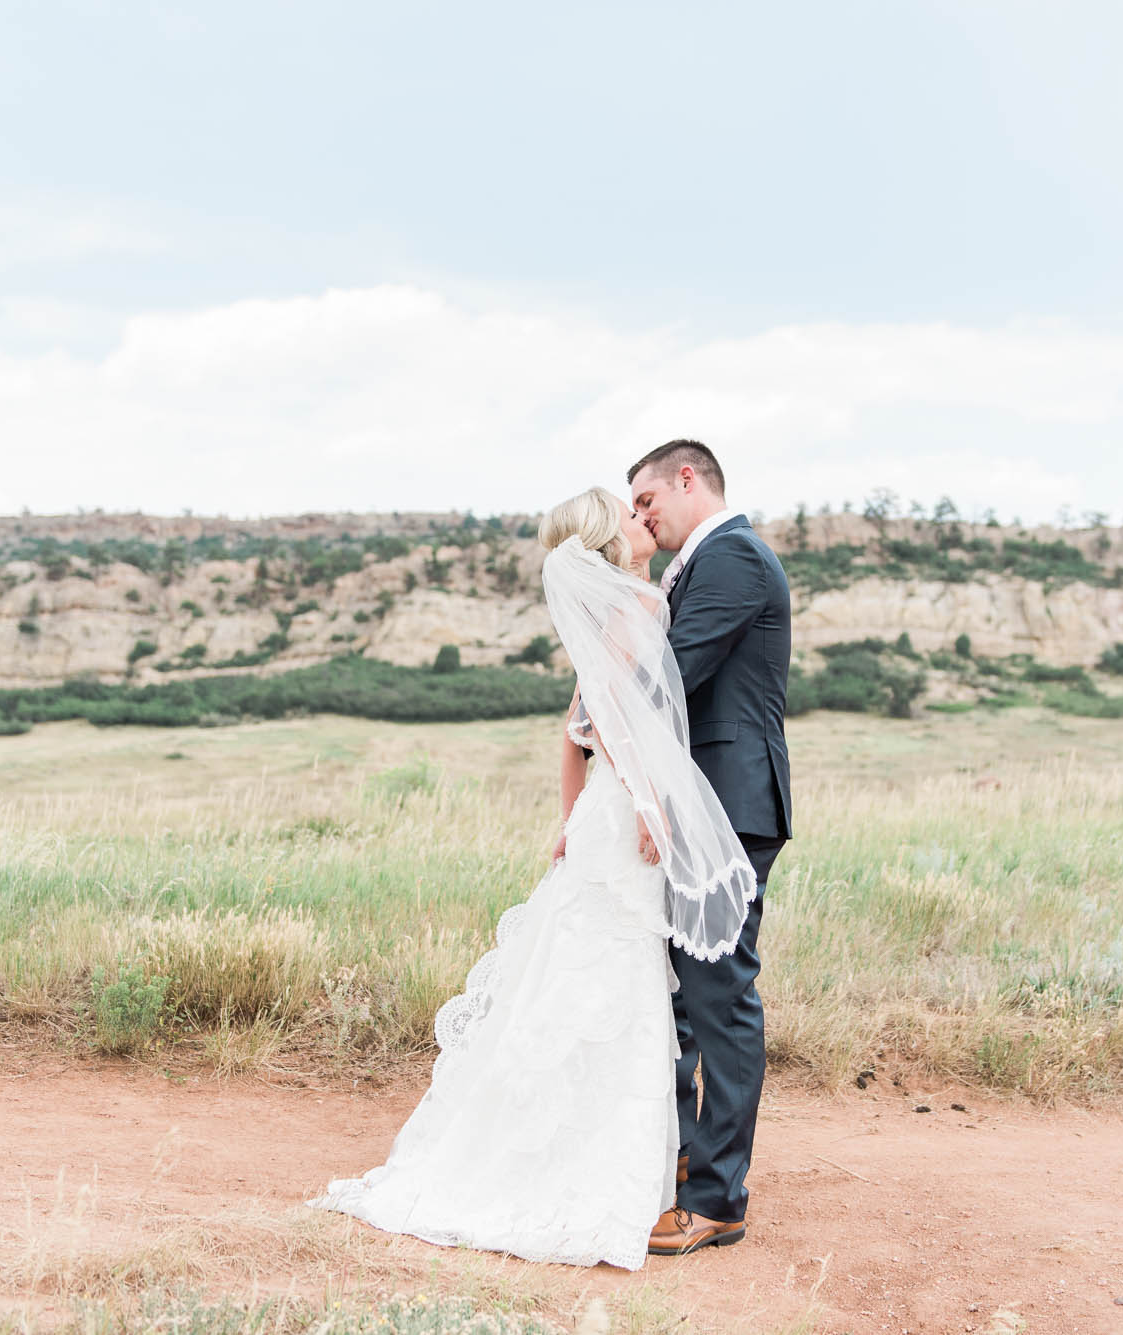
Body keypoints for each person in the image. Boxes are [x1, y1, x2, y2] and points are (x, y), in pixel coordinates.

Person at [310, 485, 759, 1270]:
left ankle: (556, 1145)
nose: (639, 517)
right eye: (628, 514)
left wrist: (570, 813)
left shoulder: (620, 608)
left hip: (602, 819)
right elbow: (616, 726)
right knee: (612, 980)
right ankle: (578, 1164)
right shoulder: (639, 609)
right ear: (609, 541)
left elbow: (575, 727)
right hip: (624, 821)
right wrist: (650, 807)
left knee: (579, 977)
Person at [626, 440, 792, 1258]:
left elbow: (673, 674)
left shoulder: (732, 559)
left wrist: (596, 702)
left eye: (649, 502)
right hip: (702, 807)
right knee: (689, 991)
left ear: (688, 480)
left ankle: (719, 1197)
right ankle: (694, 1161)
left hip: (730, 805)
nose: (643, 520)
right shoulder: (702, 564)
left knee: (720, 993)